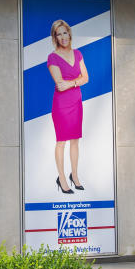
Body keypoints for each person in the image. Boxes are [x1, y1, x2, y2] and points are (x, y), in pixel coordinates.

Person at [47, 20, 89, 194]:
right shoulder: (53, 57)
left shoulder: (78, 54)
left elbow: (86, 78)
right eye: (59, 34)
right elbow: (59, 84)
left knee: (75, 141)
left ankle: (75, 175)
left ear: (69, 34)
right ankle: (62, 178)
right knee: (61, 142)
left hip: (76, 102)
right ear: (55, 37)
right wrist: (77, 81)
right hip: (62, 105)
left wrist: (72, 83)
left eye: (65, 33)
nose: (63, 37)